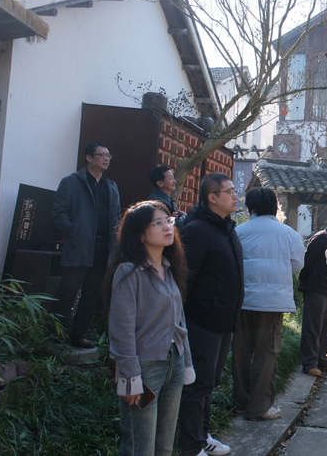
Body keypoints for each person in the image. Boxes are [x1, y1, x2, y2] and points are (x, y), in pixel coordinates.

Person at [106, 201, 195, 456]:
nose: (167, 227)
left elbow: (180, 322)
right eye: (158, 223)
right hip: (144, 368)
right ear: (140, 234)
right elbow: (121, 328)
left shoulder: (169, 268)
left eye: (168, 221)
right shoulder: (128, 272)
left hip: (174, 361)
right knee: (140, 446)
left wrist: (187, 362)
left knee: (164, 445)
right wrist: (130, 375)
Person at [178, 173, 242, 456]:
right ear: (212, 198)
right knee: (196, 384)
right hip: (202, 320)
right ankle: (191, 446)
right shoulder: (197, 230)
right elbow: (185, 278)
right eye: (230, 192)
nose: (236, 196)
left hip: (224, 321)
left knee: (208, 383)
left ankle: (203, 436)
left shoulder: (227, 227)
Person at [233, 188, 305, 421]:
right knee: (266, 355)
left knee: (241, 353)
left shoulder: (238, 231)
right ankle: (260, 407)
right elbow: (297, 265)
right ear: (275, 207)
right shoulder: (288, 233)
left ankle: (242, 403)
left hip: (242, 301)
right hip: (272, 303)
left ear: (250, 208)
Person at [51, 141, 121, 349]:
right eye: (102, 155)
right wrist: (73, 231)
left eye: (109, 155)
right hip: (79, 246)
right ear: (89, 158)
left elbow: (116, 216)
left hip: (103, 248)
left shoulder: (111, 186)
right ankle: (53, 334)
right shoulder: (71, 182)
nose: (106, 159)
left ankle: (80, 334)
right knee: (67, 292)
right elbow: (59, 212)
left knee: (91, 294)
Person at [298, 219, 327, 377]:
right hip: (315, 287)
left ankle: (321, 358)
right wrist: (306, 281)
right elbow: (306, 262)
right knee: (313, 327)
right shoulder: (321, 237)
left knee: (326, 327)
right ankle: (309, 363)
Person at [148, 165, 187, 229]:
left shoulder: (168, 199)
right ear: (160, 183)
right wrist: (185, 217)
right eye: (171, 178)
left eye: (173, 178)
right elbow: (166, 225)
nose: (175, 181)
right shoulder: (157, 202)